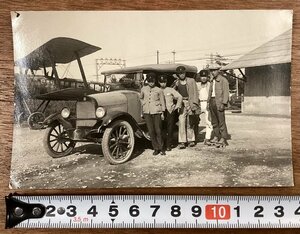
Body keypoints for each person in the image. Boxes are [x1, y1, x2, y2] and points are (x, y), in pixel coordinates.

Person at [174, 66, 200, 149]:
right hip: (182, 103)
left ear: (185, 73)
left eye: (183, 73)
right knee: (181, 121)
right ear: (178, 75)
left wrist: (195, 104)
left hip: (190, 102)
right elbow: (173, 92)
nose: (181, 75)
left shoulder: (191, 81)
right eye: (180, 74)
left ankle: (191, 140)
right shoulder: (177, 82)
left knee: (190, 122)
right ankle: (182, 141)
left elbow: (196, 93)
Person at [140, 73, 166, 155]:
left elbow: (162, 102)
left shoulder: (159, 90)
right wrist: (143, 106)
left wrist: (162, 113)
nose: (151, 83)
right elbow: (141, 98)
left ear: (155, 81)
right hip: (147, 112)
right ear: (147, 81)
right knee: (151, 131)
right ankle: (156, 148)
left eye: (152, 81)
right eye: (149, 81)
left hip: (157, 112)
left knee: (158, 130)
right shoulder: (143, 89)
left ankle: (161, 148)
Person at [158, 74, 183, 151]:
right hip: (160, 112)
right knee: (161, 129)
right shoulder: (157, 90)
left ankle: (169, 145)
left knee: (170, 129)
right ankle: (162, 145)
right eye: (161, 82)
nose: (163, 84)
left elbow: (180, 97)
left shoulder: (170, 90)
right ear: (159, 82)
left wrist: (177, 106)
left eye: (165, 82)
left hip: (170, 111)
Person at [207, 66, 229, 147]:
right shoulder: (212, 80)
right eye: (211, 71)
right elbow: (210, 92)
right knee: (214, 121)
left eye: (214, 70)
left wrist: (224, 103)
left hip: (219, 102)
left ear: (218, 71)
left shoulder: (223, 80)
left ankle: (223, 137)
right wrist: (208, 103)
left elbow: (226, 93)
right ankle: (216, 136)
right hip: (212, 101)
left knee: (221, 121)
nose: (212, 72)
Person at [196, 69, 213, 145]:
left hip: (207, 103)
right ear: (200, 77)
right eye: (202, 76)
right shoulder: (197, 85)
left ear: (207, 77)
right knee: (195, 120)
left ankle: (207, 138)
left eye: (205, 76)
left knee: (208, 121)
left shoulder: (210, 84)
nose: (203, 78)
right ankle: (194, 138)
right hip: (199, 104)